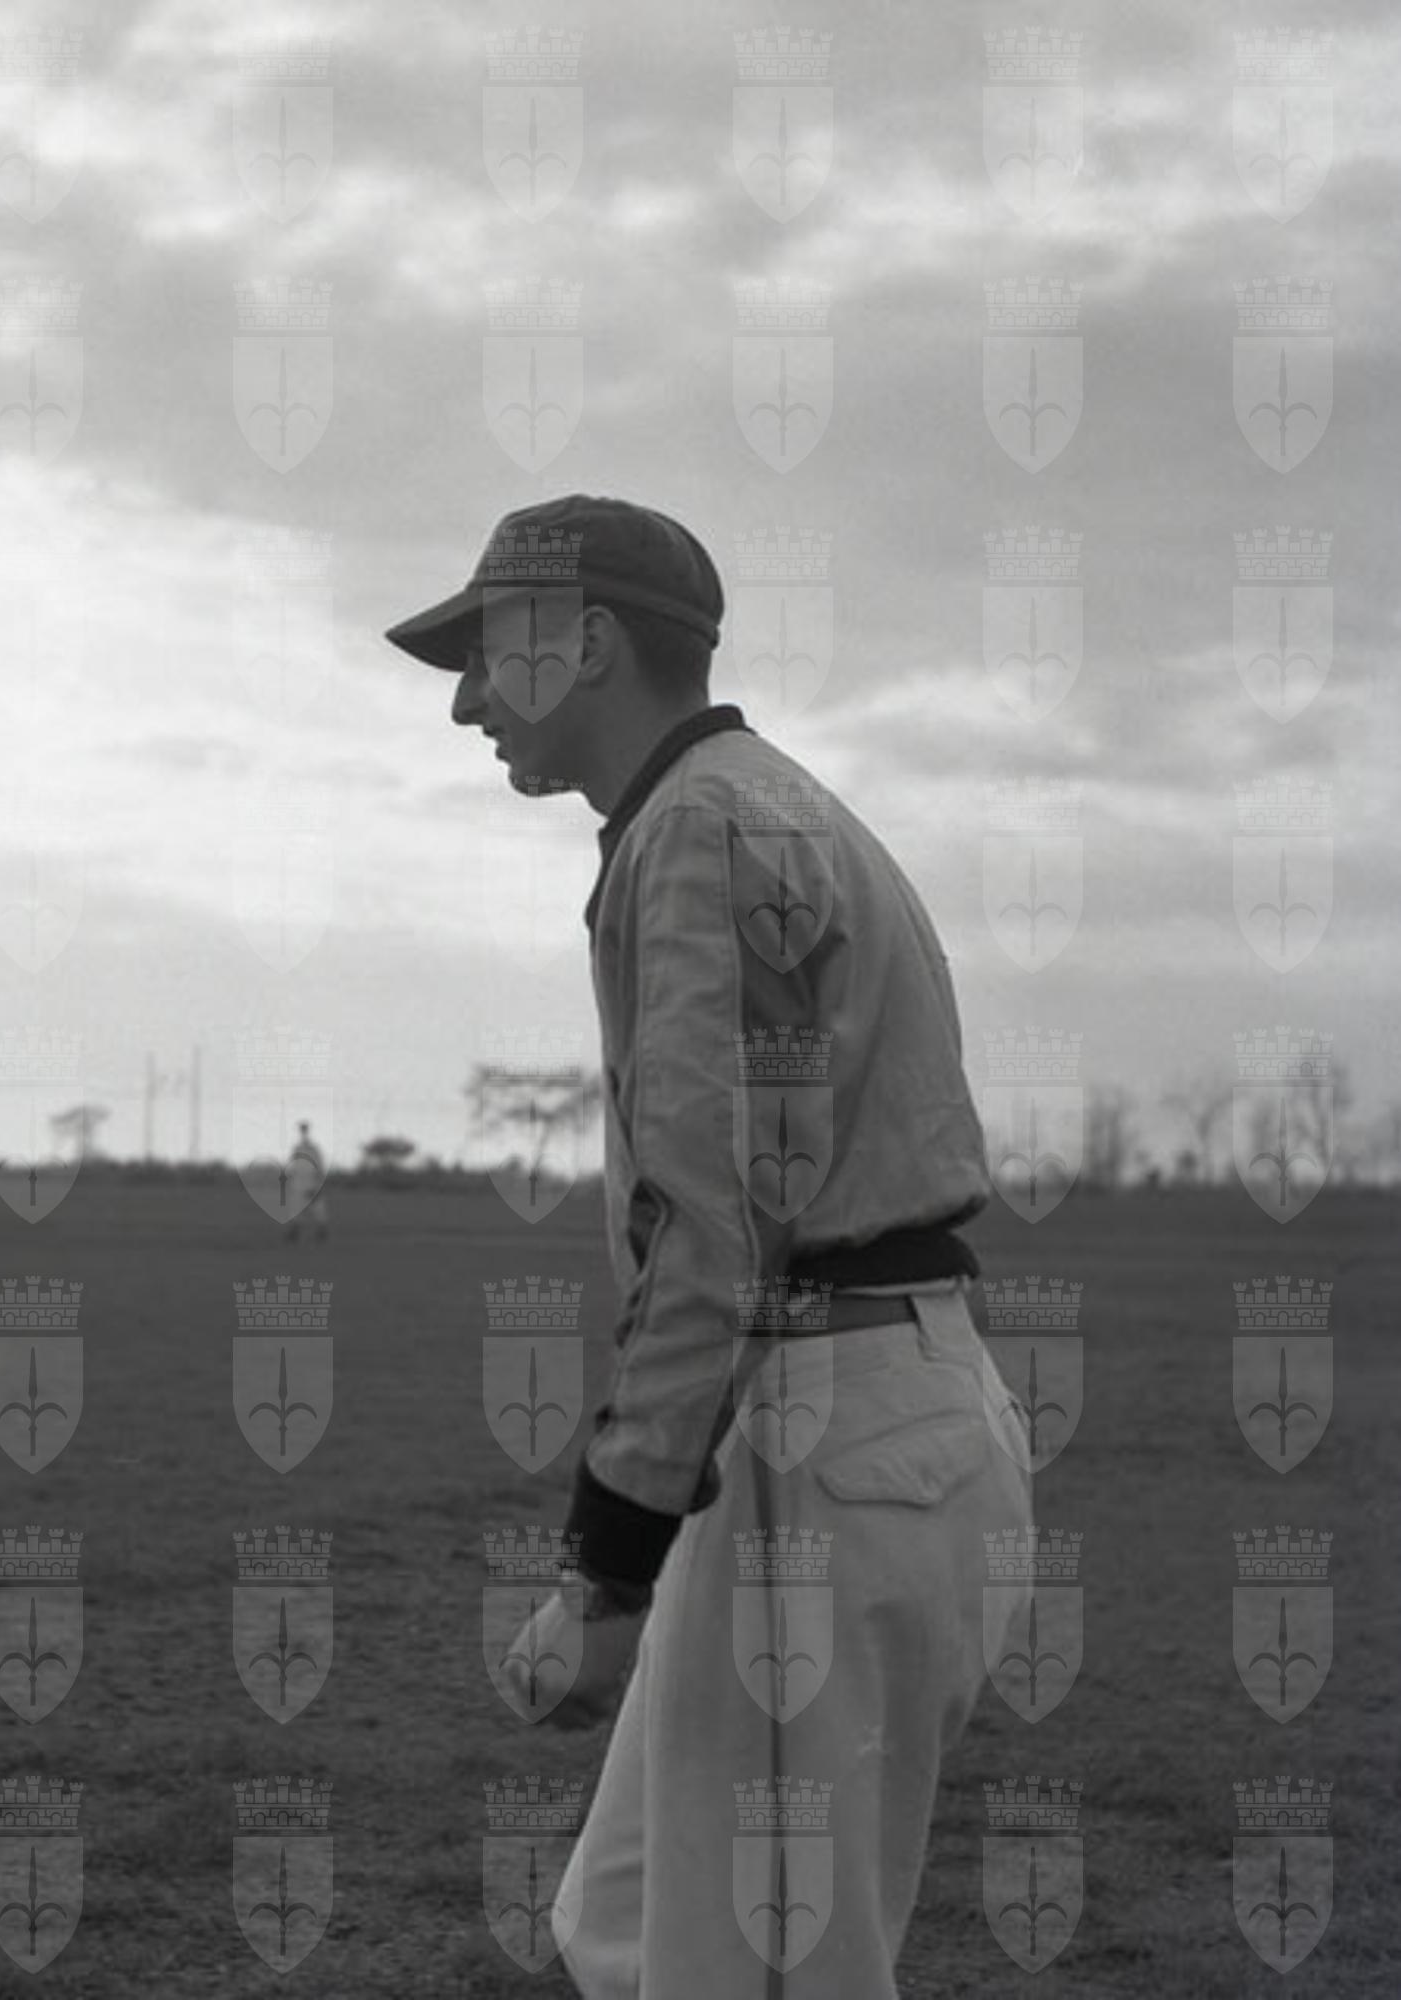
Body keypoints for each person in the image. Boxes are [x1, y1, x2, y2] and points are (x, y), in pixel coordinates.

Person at [384, 495, 1032, 1999]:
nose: (468, 700)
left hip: (833, 1434)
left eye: (486, 654)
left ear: (588, 643)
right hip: (876, 1415)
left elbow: (702, 1229)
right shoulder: (764, 800)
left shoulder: (693, 830)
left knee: (747, 1971)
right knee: (626, 1929)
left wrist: (604, 1576)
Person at [285, 1119, 329, 1244]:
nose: (303, 1132)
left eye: (304, 1129)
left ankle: (322, 1232)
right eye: (301, 1129)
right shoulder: (297, 1148)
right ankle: (294, 1233)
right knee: (296, 1209)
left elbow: (320, 1167)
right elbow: (293, 1165)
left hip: (311, 1183)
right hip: (298, 1184)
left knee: (317, 1208)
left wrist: (318, 1184)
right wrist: (290, 1179)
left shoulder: (314, 1149)